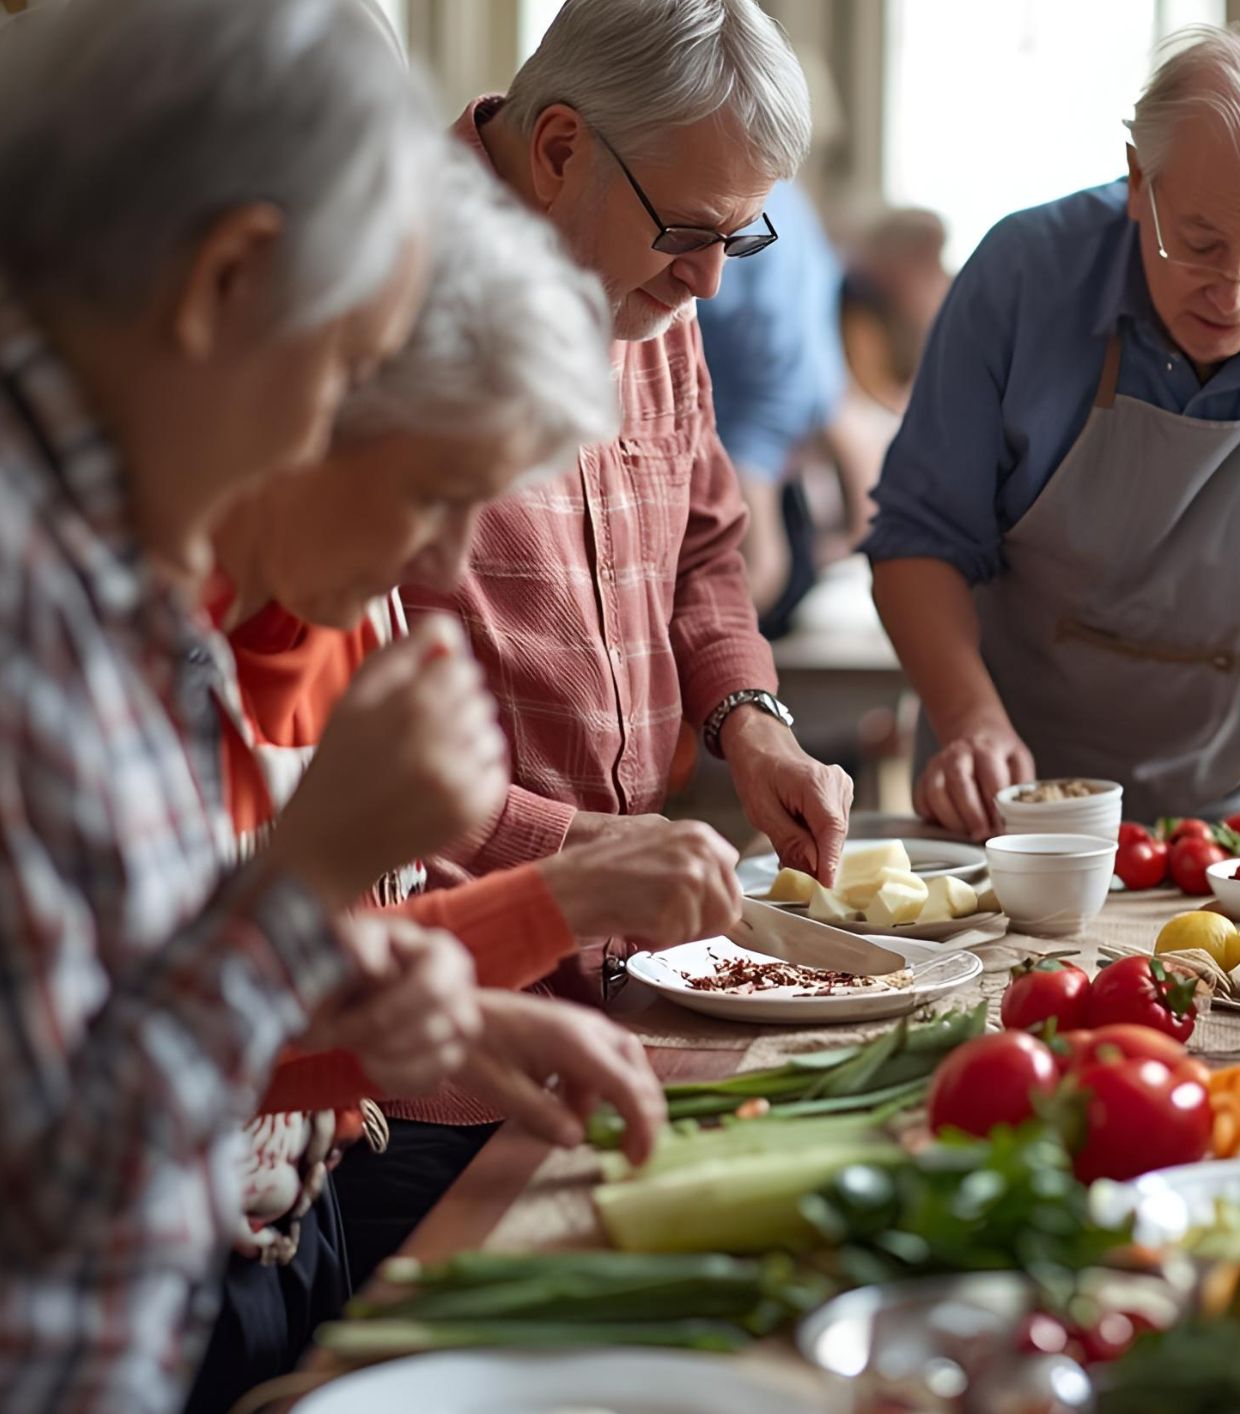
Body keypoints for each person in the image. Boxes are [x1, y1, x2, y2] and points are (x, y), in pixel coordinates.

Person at [0, 2, 490, 1409]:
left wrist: (331, 969)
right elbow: (51, 1197)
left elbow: (116, 1019)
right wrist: (306, 879)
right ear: (226, 281)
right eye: (342, 374)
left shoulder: (104, 558)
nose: (324, 437)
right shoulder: (29, 582)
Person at [186, 152, 698, 1409]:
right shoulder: (131, 654)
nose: (448, 559)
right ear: (309, 409)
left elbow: (268, 992)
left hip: (281, 1222)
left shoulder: (341, 608)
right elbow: (122, 1062)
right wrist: (547, 906)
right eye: (433, 491)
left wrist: (498, 970)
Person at [867, 22, 1240, 838]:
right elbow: (918, 540)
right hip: (1027, 800)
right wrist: (968, 718)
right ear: (1136, 180)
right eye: (1199, 243)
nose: (1232, 293)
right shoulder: (1023, 277)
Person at [403, 0, 854, 892]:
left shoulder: (652, 286)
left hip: (618, 918)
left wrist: (753, 722)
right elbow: (334, 733)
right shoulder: (384, 290)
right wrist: (585, 854)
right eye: (687, 231)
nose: (710, 282)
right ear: (558, 152)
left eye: (737, 239)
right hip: (445, 933)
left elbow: (704, 549)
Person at [696, 179, 847, 638]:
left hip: (751, 465)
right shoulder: (784, 198)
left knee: (736, 605)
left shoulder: (747, 199)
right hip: (760, 460)